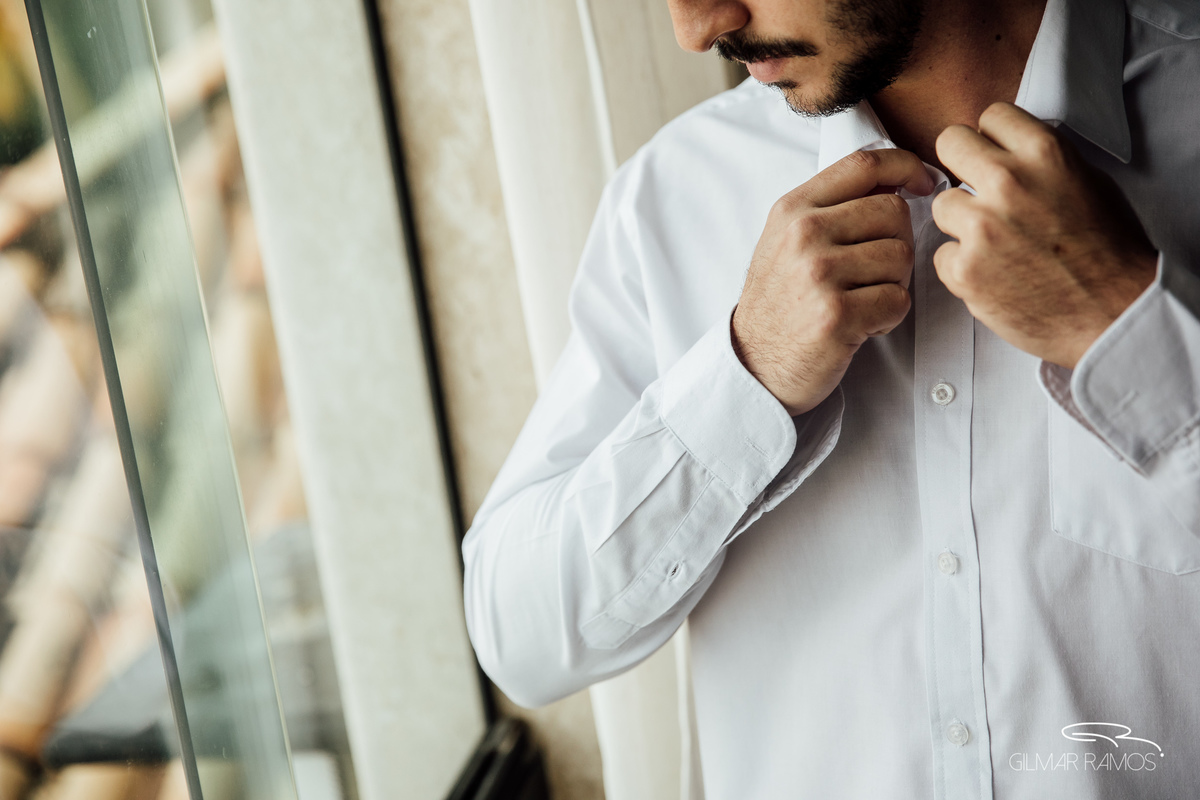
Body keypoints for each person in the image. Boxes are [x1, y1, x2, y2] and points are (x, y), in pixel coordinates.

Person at [462, 0, 1200, 797]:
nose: (697, 28)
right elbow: (520, 638)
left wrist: (1124, 329)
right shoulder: (674, 194)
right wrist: (745, 377)